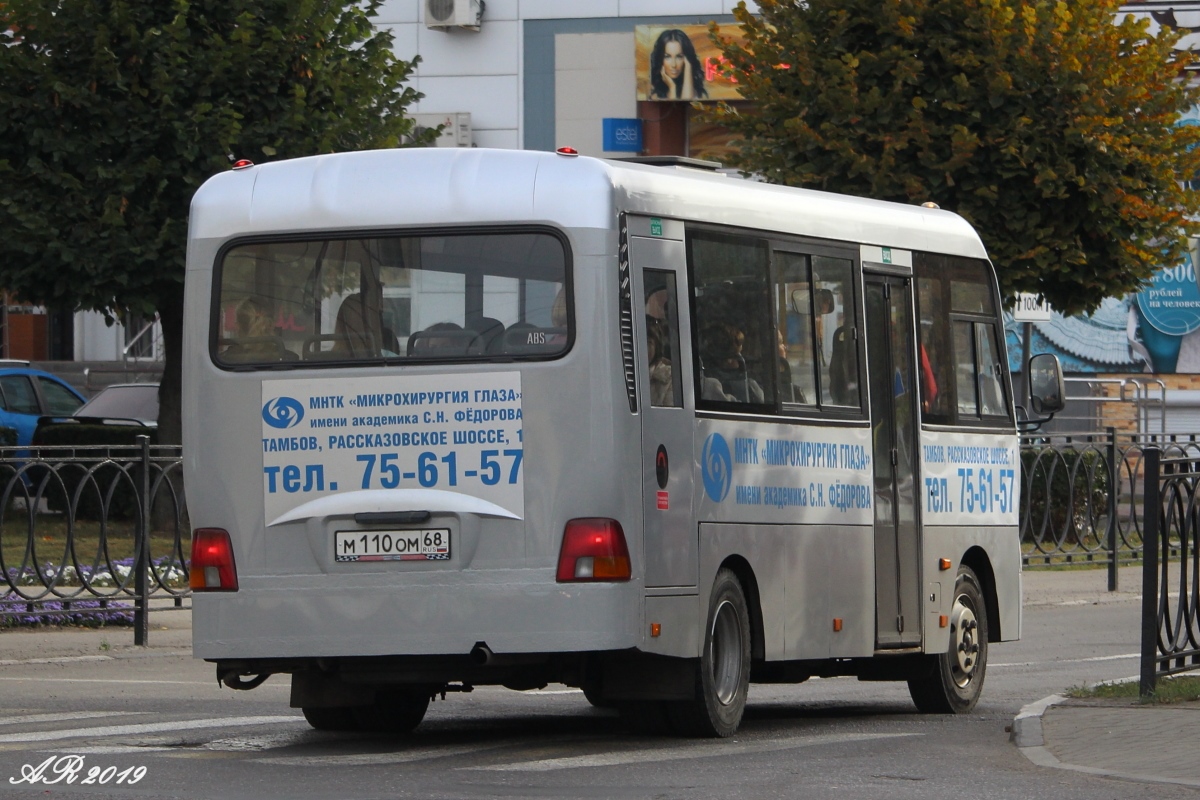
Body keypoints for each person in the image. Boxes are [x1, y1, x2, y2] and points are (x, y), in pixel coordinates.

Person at [648, 29, 708, 100]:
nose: (674, 65)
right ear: (660, 59)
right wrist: (672, 88)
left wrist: (688, 67)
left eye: (679, 57)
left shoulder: (695, 91)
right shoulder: (655, 94)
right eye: (667, 57)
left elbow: (687, 102)